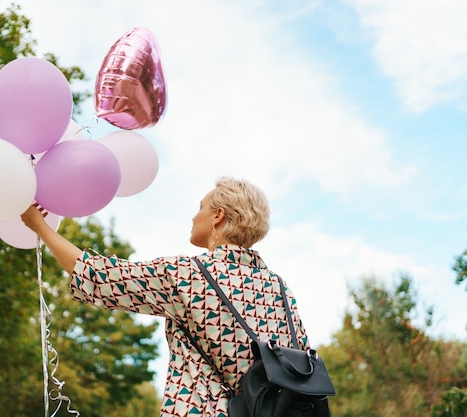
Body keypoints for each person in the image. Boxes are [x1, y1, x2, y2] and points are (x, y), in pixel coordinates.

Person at [21, 176, 310, 417]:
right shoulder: (280, 289)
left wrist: (40, 227)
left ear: (218, 216)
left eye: (201, 207)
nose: (194, 215)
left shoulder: (190, 275)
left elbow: (98, 275)